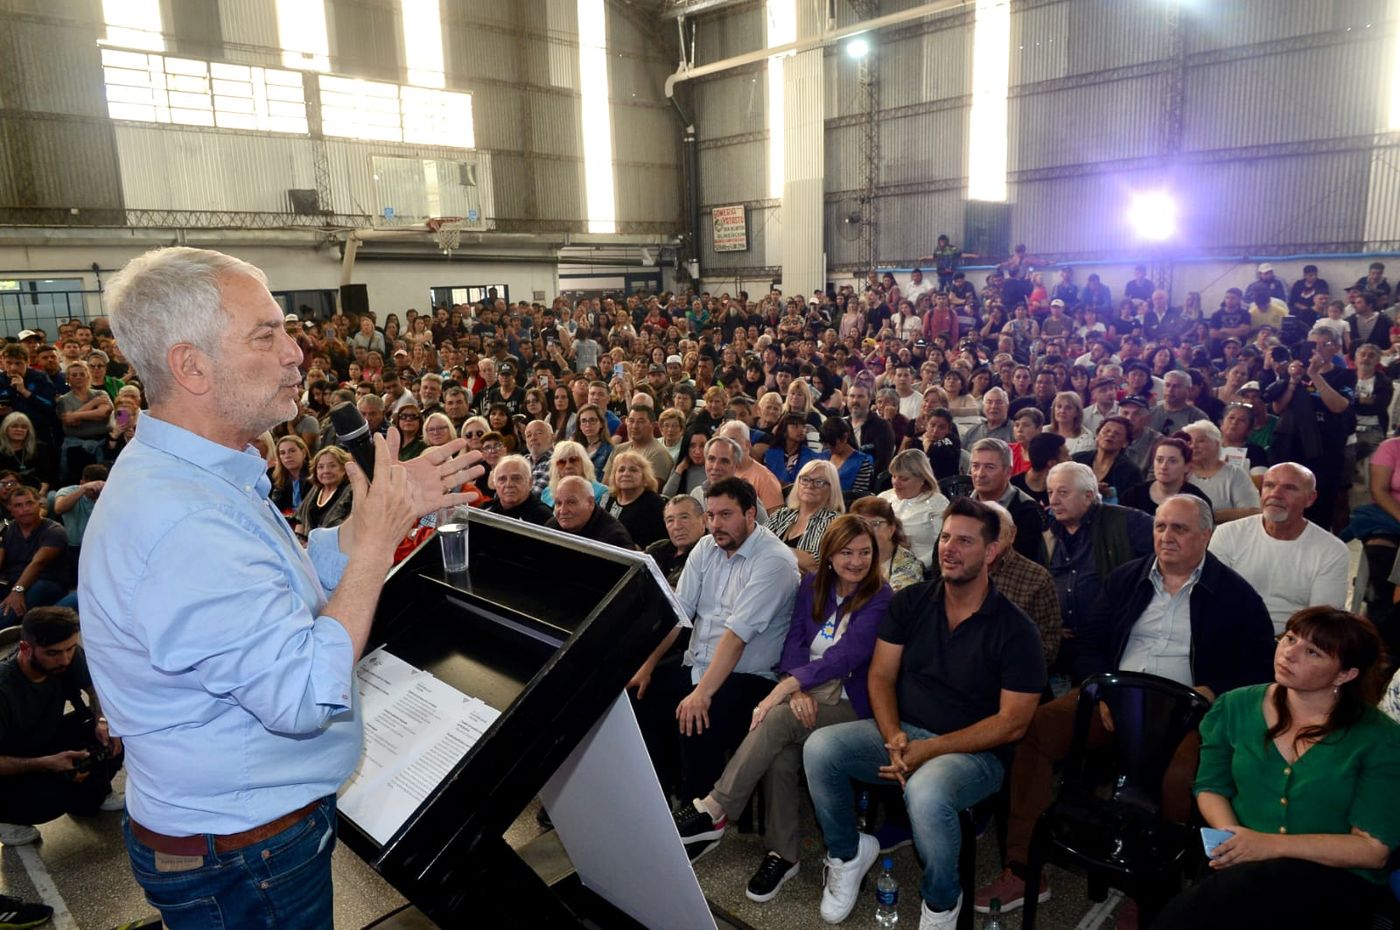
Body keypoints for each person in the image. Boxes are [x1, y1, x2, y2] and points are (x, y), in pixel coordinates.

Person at [80, 247, 479, 928]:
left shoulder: (204, 472)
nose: (297, 352)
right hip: (245, 854)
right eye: (266, 334)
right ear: (191, 365)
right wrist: (380, 540)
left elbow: (276, 582)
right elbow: (300, 693)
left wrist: (356, 536)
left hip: (246, 831)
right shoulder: (182, 520)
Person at [979, 495, 1275, 917]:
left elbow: (1258, 666)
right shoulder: (1126, 578)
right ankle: (1024, 867)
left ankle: (1153, 886)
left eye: (1180, 529)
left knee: (1180, 779)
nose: (1166, 536)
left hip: (1188, 712)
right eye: (1160, 527)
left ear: (1206, 536)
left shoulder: (1235, 595)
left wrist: (1212, 690)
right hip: (1115, 701)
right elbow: (1091, 643)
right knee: (1034, 731)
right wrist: (1098, 690)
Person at [803, 496, 1045, 929]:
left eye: (965, 541)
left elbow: (1014, 723)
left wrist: (930, 750)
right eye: (946, 537)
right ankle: (846, 854)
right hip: (907, 734)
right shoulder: (912, 601)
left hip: (975, 753)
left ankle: (940, 902)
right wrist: (895, 735)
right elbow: (879, 676)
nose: (949, 548)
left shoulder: (1015, 630)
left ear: (991, 552)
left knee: (926, 792)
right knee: (821, 748)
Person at [670, 516, 893, 903]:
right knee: (781, 752)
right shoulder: (811, 586)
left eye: (864, 553)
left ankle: (715, 806)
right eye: (846, 552)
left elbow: (848, 655)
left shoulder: (881, 596)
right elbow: (793, 641)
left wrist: (791, 686)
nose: (856, 562)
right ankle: (783, 855)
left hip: (849, 703)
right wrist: (795, 687)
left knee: (776, 719)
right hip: (805, 692)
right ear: (829, 555)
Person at [1152, 608, 1400, 930]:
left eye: (1312, 651)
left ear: (1345, 674)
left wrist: (1265, 845)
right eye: (1289, 638)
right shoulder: (1235, 705)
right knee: (1231, 896)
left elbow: (1373, 850)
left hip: (1333, 878)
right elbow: (1211, 786)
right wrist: (1234, 843)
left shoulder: (1380, 739)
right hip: (1238, 868)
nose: (1288, 653)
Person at [629, 477, 800, 806]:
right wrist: (646, 666)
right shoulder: (706, 548)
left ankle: (700, 812)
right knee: (641, 695)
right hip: (699, 663)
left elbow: (736, 638)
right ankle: (663, 798)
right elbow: (678, 614)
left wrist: (701, 693)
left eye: (726, 515)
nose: (715, 525)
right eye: (710, 515)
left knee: (693, 715)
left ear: (751, 514)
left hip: (750, 676)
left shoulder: (774, 561)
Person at [0, 607, 125, 846]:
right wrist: (46, 764)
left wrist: (103, 721)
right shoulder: (4, 689)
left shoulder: (68, 656)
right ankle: (8, 818)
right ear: (26, 649)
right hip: (13, 762)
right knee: (52, 797)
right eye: (53, 653)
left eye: (70, 649)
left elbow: (95, 690)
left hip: (46, 738)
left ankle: (91, 798)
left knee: (116, 734)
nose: (65, 659)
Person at [1208, 463, 1349, 636]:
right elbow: (1213, 598)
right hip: (1229, 636)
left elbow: (1321, 621)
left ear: (1310, 498)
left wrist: (1279, 646)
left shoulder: (1332, 550)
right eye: (1269, 485)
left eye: (1289, 488)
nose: (1275, 494)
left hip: (1294, 644)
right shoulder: (1228, 533)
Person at [969, 438, 1048, 564]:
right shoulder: (960, 506)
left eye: (989, 467)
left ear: (1008, 472)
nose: (980, 474)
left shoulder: (1027, 511)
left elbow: (1021, 563)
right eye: (975, 466)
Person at [0, 485, 68, 622]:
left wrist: (17, 590)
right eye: (18, 505)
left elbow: (38, 563)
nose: (25, 509)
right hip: (12, 581)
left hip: (45, 582)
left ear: (39, 503)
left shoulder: (54, 530)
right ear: (10, 509)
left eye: (29, 503)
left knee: (11, 609)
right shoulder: (6, 529)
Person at [765, 459, 843, 575]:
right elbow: (757, 544)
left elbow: (814, 563)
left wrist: (770, 550)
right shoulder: (782, 514)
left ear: (832, 489)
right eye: (805, 480)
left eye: (819, 482)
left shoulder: (833, 521)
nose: (810, 486)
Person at [878, 449, 949, 571]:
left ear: (922, 478)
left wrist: (916, 565)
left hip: (922, 569)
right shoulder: (884, 498)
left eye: (904, 479)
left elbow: (944, 545)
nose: (896, 483)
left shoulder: (938, 504)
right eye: (894, 476)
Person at [1180, 420, 1260, 522]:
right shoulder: (1180, 474)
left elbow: (1253, 512)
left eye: (1201, 440)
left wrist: (1211, 516)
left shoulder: (1235, 474)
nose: (1193, 446)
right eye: (1189, 442)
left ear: (1217, 444)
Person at [1120, 435, 1212, 517]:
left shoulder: (1197, 501)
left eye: (1172, 461)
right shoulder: (1133, 495)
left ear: (1187, 467)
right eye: (1159, 460)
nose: (1164, 466)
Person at [849, 496, 925, 591]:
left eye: (875, 524)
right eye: (861, 524)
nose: (867, 530)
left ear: (891, 529)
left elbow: (893, 602)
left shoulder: (909, 565)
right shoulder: (849, 557)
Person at [547, 475, 636, 549]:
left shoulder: (615, 540)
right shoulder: (551, 528)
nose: (563, 511)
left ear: (590, 503)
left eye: (571, 502)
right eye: (558, 503)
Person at [604, 450, 667, 548]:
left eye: (633, 470)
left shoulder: (654, 504)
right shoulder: (608, 497)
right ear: (614, 475)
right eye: (621, 470)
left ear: (644, 476)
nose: (626, 474)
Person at [292, 446, 354, 542]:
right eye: (321, 467)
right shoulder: (315, 489)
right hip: (309, 548)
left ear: (343, 468)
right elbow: (300, 521)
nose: (326, 471)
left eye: (332, 466)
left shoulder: (351, 491)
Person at [1072, 416, 1141, 501]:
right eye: (1106, 431)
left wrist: (1111, 494)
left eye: (1117, 433)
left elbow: (1132, 503)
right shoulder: (1077, 460)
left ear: (1125, 443)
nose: (1110, 434)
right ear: (1097, 436)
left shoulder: (1131, 471)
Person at [645, 494, 707, 587]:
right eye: (670, 520)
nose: (677, 526)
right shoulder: (656, 549)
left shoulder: (710, 555)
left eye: (684, 517)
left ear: (704, 520)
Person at [0, 412, 55, 495]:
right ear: (5, 429)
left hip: (37, 492)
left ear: (28, 431)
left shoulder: (40, 448)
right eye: (14, 426)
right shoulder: (1, 451)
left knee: (52, 496)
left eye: (24, 427)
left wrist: (39, 495)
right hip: (6, 492)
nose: (19, 429)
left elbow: (46, 478)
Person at [819, 416, 874, 497]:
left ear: (845, 437)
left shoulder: (862, 462)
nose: (829, 448)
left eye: (832, 444)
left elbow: (858, 496)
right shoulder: (822, 457)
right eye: (825, 444)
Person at [268, 434, 311, 519]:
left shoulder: (315, 474)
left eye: (292, 451)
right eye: (282, 453)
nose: (287, 456)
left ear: (303, 452)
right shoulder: (276, 477)